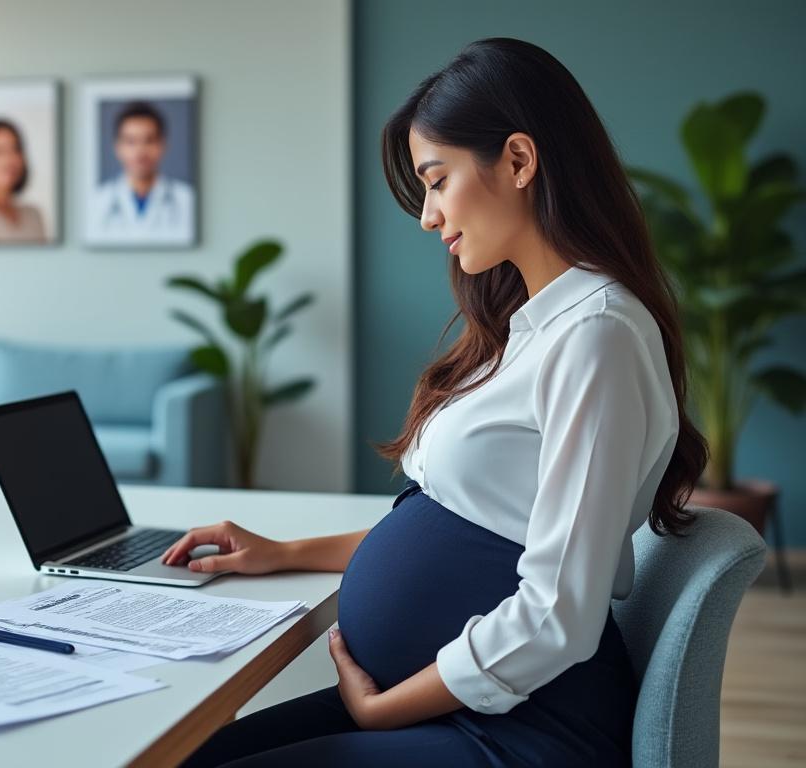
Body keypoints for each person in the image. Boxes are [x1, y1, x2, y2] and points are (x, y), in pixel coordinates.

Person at [169, 37, 708, 767]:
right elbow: (473, 523)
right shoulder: (529, 327)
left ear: (518, 162)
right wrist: (283, 554)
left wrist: (383, 709)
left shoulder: (596, 335)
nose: (427, 215)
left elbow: (559, 615)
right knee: (188, 755)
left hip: (521, 727)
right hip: (454, 701)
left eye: (436, 179)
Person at [88, 100, 195, 245]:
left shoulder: (186, 199)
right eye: (131, 141)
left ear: (163, 145)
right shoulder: (97, 201)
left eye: (149, 140)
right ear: (117, 147)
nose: (140, 151)